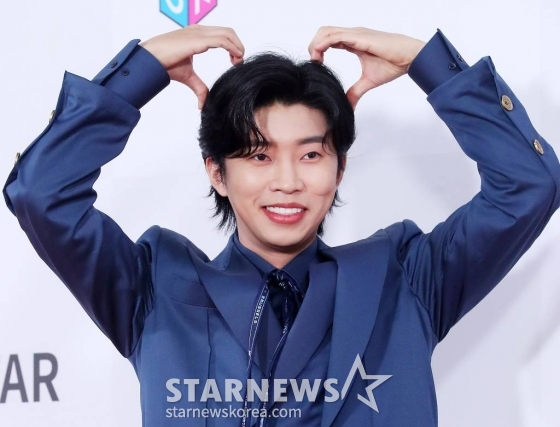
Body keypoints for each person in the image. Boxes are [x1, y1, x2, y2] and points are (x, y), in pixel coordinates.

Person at [3, 24, 560, 427]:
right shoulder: (153, 287)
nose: (288, 181)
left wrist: (428, 64)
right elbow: (40, 193)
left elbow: (529, 185)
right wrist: (138, 72)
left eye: (311, 155)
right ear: (217, 173)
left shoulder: (405, 280)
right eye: (259, 156)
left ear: (339, 168)